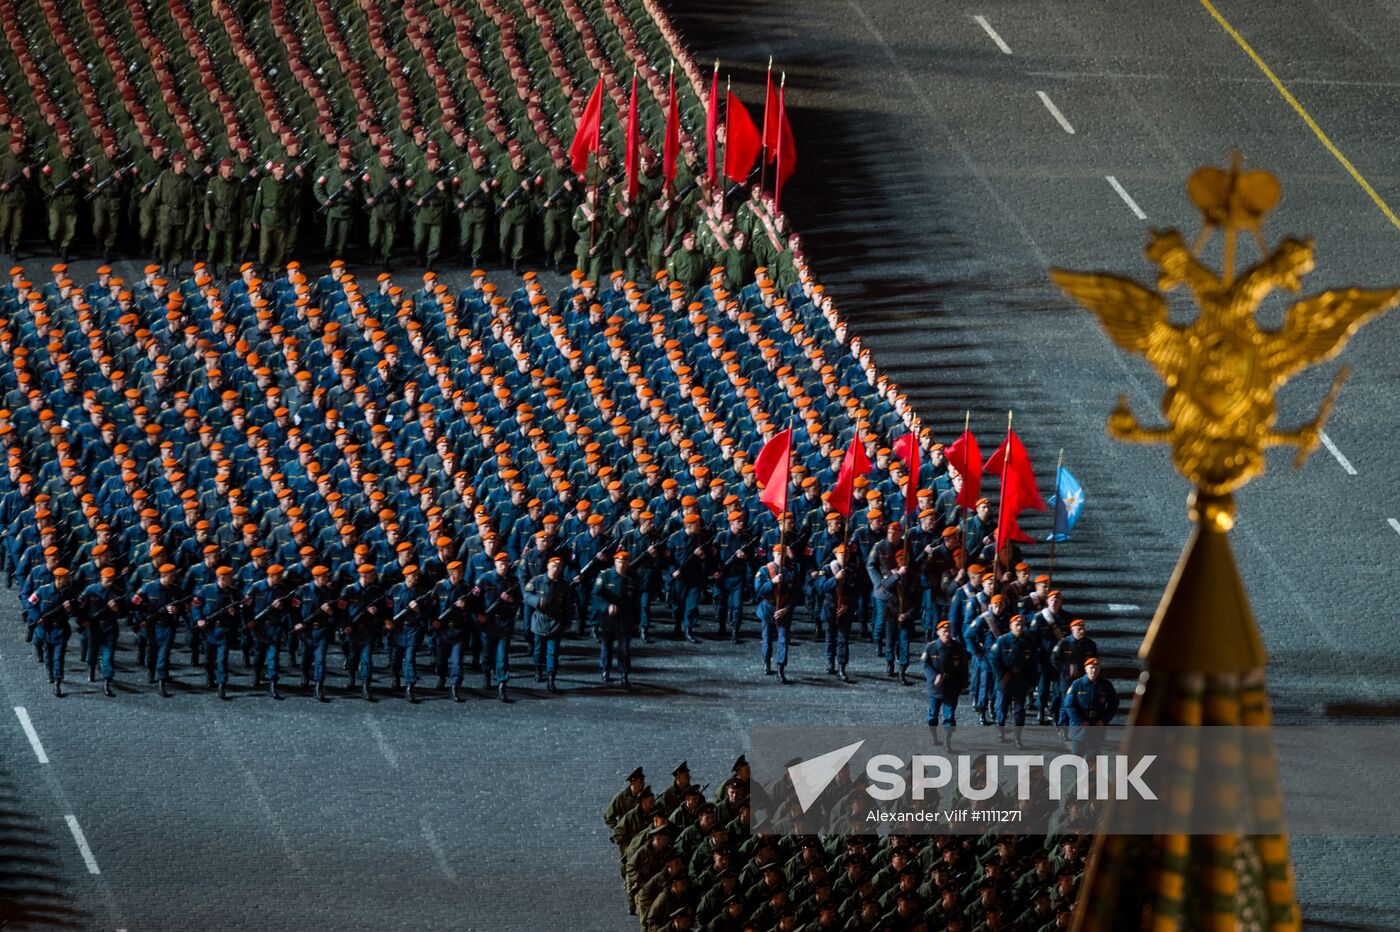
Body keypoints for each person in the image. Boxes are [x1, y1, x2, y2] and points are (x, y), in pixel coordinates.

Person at [195, 565, 246, 700]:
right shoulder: (206, 590)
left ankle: (221, 683)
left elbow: (243, 605)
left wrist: (235, 612)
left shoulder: (234, 592)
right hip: (209, 630)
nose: (232, 579)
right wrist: (199, 619)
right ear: (221, 578)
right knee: (208, 659)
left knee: (222, 659)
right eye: (230, 577)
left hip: (224, 630)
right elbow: (196, 606)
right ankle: (210, 676)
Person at [473, 552, 518, 702]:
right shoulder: (485, 579)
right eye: (500, 563)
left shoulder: (513, 581)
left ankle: (502, 684)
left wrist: (511, 600)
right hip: (488, 622)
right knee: (487, 652)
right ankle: (487, 674)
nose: (503, 566)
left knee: (502, 656)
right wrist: (479, 614)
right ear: (495, 564)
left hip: (504, 622)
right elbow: (475, 599)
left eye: (506, 563)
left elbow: (519, 601)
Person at [524, 554, 572, 692]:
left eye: (558, 567)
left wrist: (567, 622)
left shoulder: (563, 585)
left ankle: (551, 678)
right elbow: (526, 595)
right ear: (548, 566)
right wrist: (537, 601)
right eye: (553, 566)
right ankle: (538, 668)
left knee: (553, 653)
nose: (556, 569)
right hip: (540, 620)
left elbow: (567, 605)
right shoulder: (537, 581)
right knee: (538, 650)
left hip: (555, 622)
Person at [989, 615, 1038, 748]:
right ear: (1011, 626)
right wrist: (1002, 675)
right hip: (1005, 680)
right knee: (1002, 708)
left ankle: (1018, 737)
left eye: (1022, 625)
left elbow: (1033, 663)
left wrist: (1032, 682)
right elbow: (993, 658)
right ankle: (1001, 732)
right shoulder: (1002, 641)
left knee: (1019, 710)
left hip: (1021, 680)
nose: (1019, 627)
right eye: (1016, 624)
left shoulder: (1028, 642)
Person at [295, 565, 341, 702]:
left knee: (320, 660)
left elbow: (336, 615)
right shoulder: (302, 591)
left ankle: (318, 686)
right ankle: (305, 676)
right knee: (306, 658)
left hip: (322, 630)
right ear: (316, 577)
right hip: (306, 631)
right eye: (324, 576)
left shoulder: (330, 593)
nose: (327, 579)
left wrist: (330, 613)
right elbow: (294, 611)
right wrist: (296, 623)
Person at [754, 544, 798, 683]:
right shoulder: (764, 570)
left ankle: (781, 668)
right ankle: (767, 663)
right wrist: (772, 582)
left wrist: (787, 609)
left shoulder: (791, 572)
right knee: (767, 639)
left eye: (783, 554)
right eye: (778, 554)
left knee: (783, 640)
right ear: (773, 554)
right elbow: (759, 589)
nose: (780, 557)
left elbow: (796, 594)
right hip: (768, 608)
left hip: (784, 610)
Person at [593, 550, 638, 686]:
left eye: (624, 562)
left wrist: (637, 620)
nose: (622, 565)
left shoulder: (633, 577)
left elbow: (636, 600)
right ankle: (605, 670)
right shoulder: (605, 576)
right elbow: (596, 594)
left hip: (625, 617)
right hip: (609, 617)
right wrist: (606, 606)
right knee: (607, 645)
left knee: (624, 648)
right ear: (614, 562)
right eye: (619, 562)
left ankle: (624, 673)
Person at [79, 566, 126, 697]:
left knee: (108, 655)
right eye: (107, 579)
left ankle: (107, 680)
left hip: (110, 627)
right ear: (101, 578)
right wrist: (83, 621)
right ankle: (92, 668)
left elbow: (124, 613)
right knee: (92, 651)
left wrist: (116, 608)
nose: (110, 582)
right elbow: (80, 607)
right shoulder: (90, 590)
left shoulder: (117, 592)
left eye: (112, 579)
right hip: (94, 627)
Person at [921, 620, 969, 748]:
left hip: (951, 687)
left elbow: (964, 667)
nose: (947, 634)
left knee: (949, 716)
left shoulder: (957, 647)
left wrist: (964, 684)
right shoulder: (931, 647)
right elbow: (926, 665)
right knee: (933, 716)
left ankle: (948, 741)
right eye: (944, 631)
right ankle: (934, 737)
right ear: (938, 633)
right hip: (935, 688)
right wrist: (934, 677)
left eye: (949, 631)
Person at [817, 544, 860, 682]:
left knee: (843, 638)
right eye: (842, 555)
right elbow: (821, 587)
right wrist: (835, 579)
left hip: (846, 608)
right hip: (830, 606)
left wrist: (847, 605)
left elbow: (857, 590)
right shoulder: (827, 569)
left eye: (846, 555)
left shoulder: (853, 570)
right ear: (836, 555)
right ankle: (830, 661)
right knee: (830, 636)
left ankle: (842, 665)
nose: (844, 557)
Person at [432, 560, 474, 702]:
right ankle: (441, 676)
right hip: (442, 630)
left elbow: (474, 609)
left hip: (458, 629)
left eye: (462, 570)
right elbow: (431, 606)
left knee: (457, 662)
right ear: (451, 573)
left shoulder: (466, 588)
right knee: (441, 659)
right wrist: (433, 621)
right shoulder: (440, 586)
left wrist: (465, 607)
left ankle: (455, 686)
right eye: (459, 571)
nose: (462, 573)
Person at [32, 567, 76, 697]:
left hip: (61, 630)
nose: (68, 579)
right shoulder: (42, 590)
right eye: (65, 577)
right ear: (59, 578)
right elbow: (30, 604)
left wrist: (69, 610)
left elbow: (75, 611)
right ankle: (50, 672)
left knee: (59, 657)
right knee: (48, 656)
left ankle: (58, 682)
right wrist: (37, 618)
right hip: (47, 629)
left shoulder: (69, 593)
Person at [1063, 657, 1119, 756]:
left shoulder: (1106, 685)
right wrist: (1080, 721)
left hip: (1096, 726)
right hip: (1079, 728)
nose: (1094, 670)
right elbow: (1069, 705)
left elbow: (1113, 704)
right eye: (1091, 667)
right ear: (1085, 669)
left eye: (1096, 668)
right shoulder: (1077, 684)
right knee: (1077, 757)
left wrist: (1103, 720)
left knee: (1093, 759)